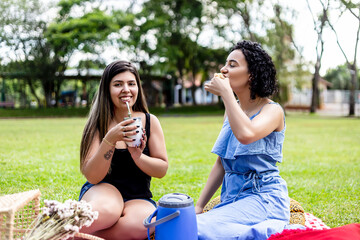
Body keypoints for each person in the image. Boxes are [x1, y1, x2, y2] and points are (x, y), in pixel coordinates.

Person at [195, 40, 290, 240]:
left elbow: (246, 135)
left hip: (263, 197)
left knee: (197, 229)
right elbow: (221, 163)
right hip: (233, 198)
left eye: (232, 64)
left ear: (251, 75)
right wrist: (199, 206)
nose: (223, 69)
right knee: (187, 223)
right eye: (225, 64)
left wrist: (226, 94)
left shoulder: (272, 111)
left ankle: (267, 229)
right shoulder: (232, 109)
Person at [78, 60, 168, 240]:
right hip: (102, 189)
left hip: (138, 196)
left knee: (144, 224)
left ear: (138, 89)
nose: (126, 89)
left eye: (131, 83)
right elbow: (93, 176)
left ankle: (76, 235)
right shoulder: (98, 123)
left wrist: (138, 156)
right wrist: (110, 139)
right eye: (118, 84)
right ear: (107, 90)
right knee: (109, 211)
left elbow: (161, 169)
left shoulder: (150, 121)